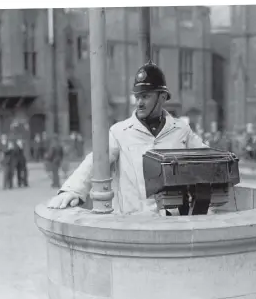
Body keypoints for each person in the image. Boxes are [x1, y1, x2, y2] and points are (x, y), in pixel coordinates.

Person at [47, 61, 207, 214]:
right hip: (133, 224)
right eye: (137, 97)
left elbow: (207, 158)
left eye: (146, 96)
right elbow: (95, 161)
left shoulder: (181, 130)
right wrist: (73, 190)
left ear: (162, 97)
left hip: (172, 223)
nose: (139, 102)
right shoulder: (119, 132)